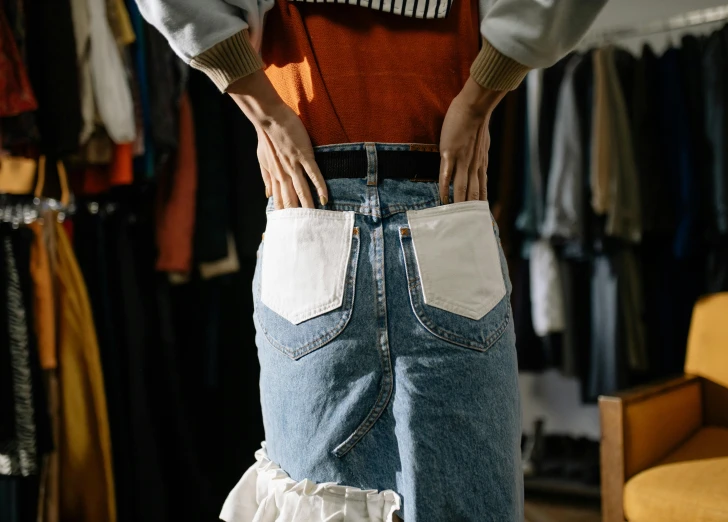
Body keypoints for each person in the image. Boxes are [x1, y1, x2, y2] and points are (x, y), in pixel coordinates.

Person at [137, 1, 607, 520]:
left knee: (315, 503)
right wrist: (480, 96)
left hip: (338, 201)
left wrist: (263, 104)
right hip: (405, 195)